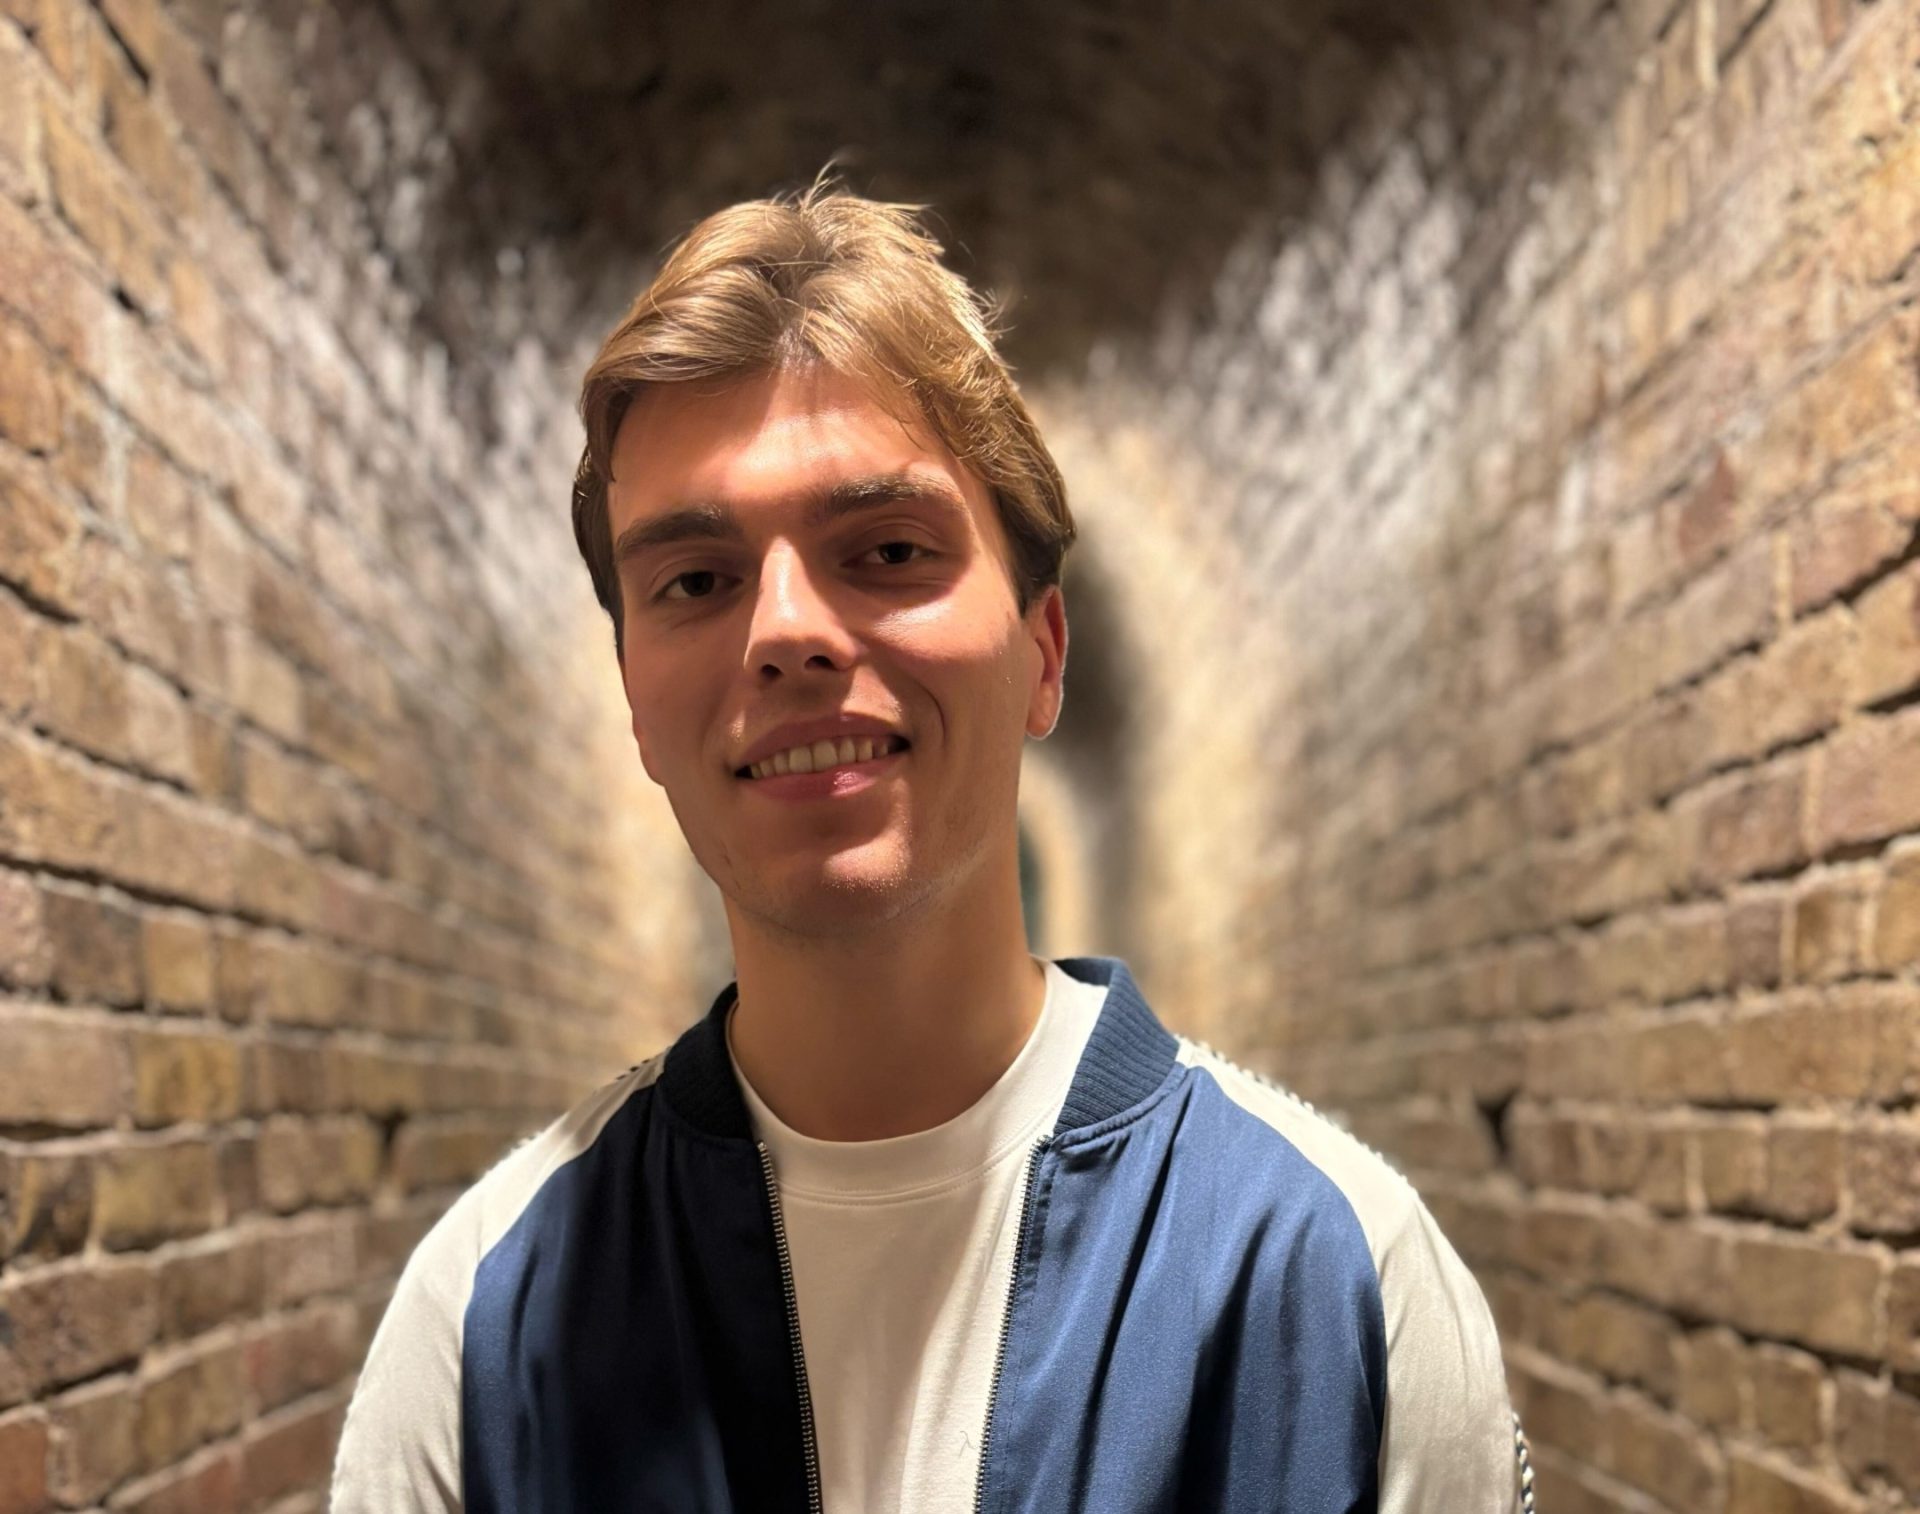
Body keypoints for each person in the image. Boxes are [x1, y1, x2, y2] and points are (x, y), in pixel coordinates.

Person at [330, 172, 1534, 1513]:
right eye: (695, 580)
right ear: (637, 705)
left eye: (888, 548)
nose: (785, 628)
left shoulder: (1335, 1283)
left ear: (1043, 654)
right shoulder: (484, 1319)